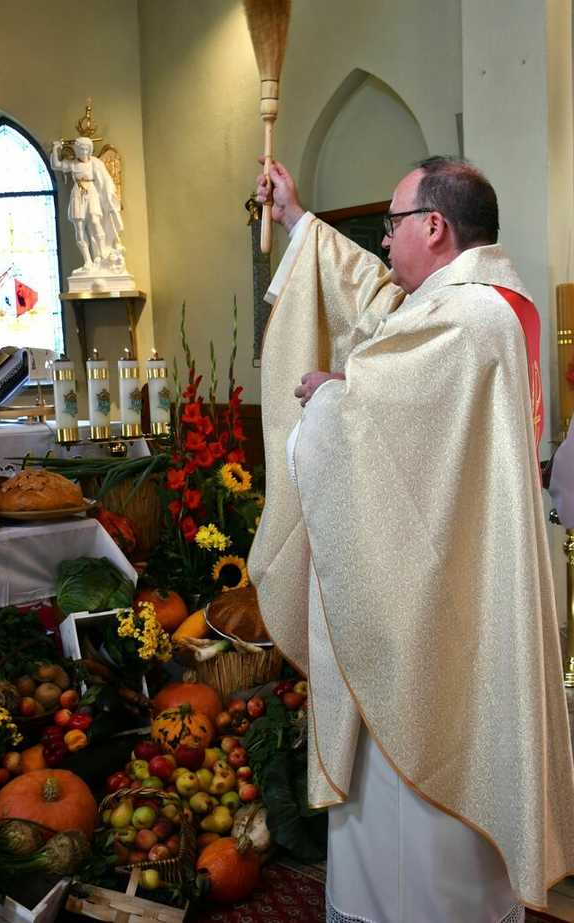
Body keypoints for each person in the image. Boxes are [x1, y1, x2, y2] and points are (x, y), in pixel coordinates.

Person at [248, 156, 574, 923]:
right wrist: (298, 219)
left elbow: (377, 423)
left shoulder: (470, 318)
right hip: (439, 588)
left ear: (434, 225)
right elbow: (374, 302)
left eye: (392, 225)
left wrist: (332, 401)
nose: (384, 242)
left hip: (427, 622)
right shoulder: (472, 303)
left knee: (412, 866)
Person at [51, 136, 124, 273]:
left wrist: (109, 195)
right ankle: (87, 260)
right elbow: (56, 165)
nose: (83, 152)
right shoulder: (73, 164)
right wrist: (55, 148)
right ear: (77, 150)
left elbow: (105, 180)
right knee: (79, 228)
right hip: (77, 195)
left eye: (86, 149)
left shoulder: (95, 163)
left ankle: (102, 255)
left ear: (90, 150)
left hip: (91, 193)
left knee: (96, 221)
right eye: (80, 149)